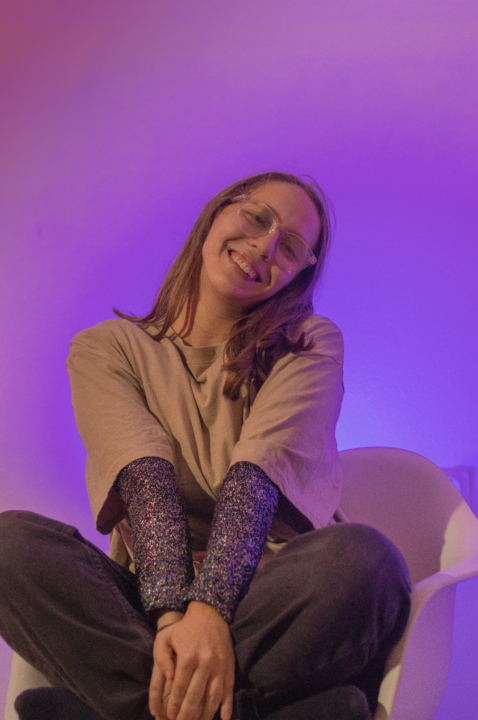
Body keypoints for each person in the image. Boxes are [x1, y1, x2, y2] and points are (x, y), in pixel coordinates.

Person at [0, 172, 411, 720]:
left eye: (290, 247)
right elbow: (145, 479)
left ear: (299, 272)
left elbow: (257, 474)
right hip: (154, 610)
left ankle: (124, 708)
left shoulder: (308, 342)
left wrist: (210, 610)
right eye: (256, 218)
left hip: (275, 604)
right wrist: (177, 618)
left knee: (365, 560)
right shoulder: (105, 349)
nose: (264, 247)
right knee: (9, 545)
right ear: (219, 211)